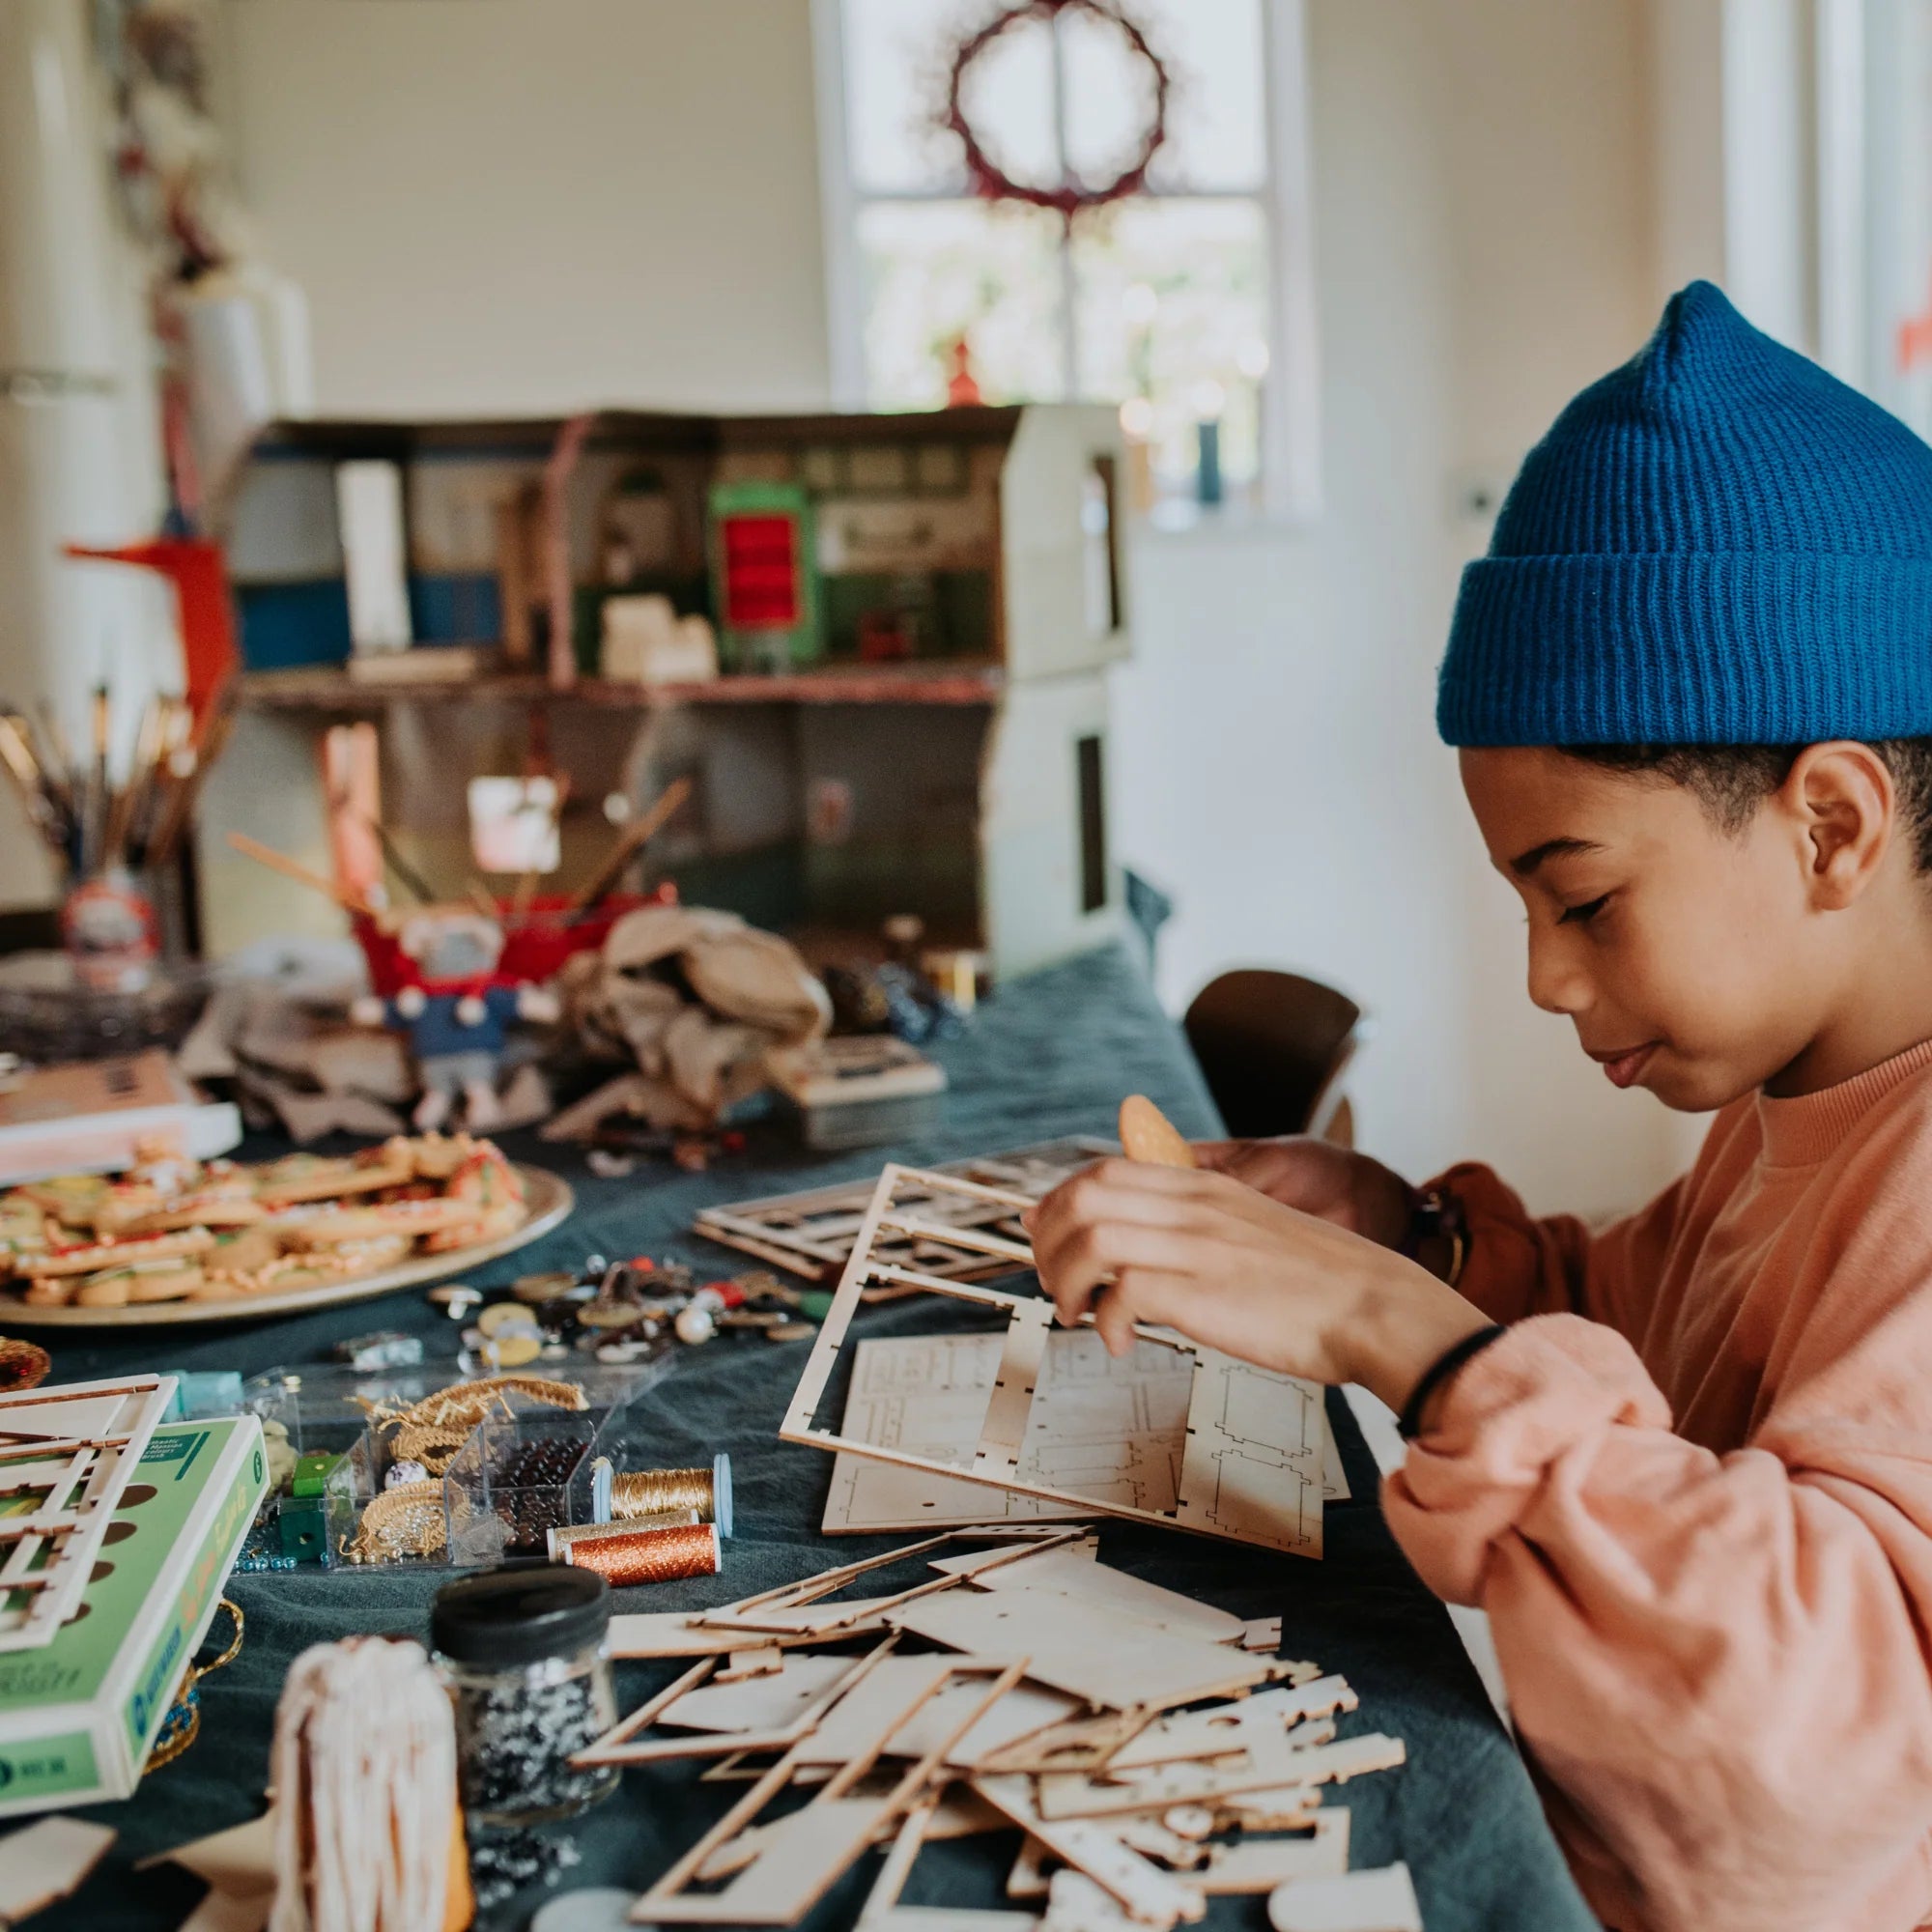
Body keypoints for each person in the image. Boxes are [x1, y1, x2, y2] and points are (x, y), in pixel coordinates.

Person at [1027, 281, 1932, 1932]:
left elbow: (1817, 1751)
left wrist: (1403, 1331)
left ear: (1829, 827)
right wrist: (1419, 1236)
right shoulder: (1807, 1088)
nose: (1546, 979)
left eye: (1580, 900)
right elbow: (1655, 1332)